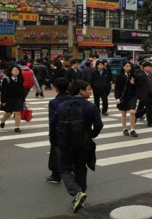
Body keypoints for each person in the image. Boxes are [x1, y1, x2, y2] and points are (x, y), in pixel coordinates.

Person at [50, 80, 103, 213]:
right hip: (84, 142)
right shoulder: (91, 107)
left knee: (65, 169)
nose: (91, 91)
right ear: (81, 91)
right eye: (89, 89)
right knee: (80, 167)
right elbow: (98, 125)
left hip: (65, 143)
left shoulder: (61, 106)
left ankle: (77, 194)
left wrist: (54, 141)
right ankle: (80, 194)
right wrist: (91, 135)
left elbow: (53, 124)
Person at [46, 77, 73, 183]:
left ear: (56, 88)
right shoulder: (74, 99)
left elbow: (52, 121)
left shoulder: (54, 102)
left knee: (56, 153)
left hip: (60, 132)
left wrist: (51, 135)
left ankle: (56, 174)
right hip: (74, 129)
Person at [115, 62, 138, 137]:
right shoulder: (119, 76)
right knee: (123, 113)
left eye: (129, 66)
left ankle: (132, 129)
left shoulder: (134, 75)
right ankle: (124, 128)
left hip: (132, 96)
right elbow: (117, 88)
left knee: (132, 112)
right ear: (123, 67)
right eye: (126, 66)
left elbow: (138, 85)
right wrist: (117, 97)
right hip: (123, 96)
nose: (128, 68)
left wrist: (133, 83)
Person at [0, 66, 25, 133]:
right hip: (9, 98)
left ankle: (17, 127)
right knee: (8, 113)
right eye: (14, 70)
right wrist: (3, 101)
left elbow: (22, 90)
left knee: (17, 112)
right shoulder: (6, 80)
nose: (16, 71)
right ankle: (3, 120)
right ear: (11, 71)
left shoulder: (20, 79)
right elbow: (3, 91)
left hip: (18, 98)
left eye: (17, 70)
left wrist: (23, 99)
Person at [135, 62, 152, 127]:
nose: (150, 68)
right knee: (149, 108)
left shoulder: (151, 75)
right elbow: (138, 86)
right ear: (144, 68)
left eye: (150, 67)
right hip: (144, 94)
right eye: (148, 67)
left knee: (150, 107)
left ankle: (136, 115)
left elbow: (150, 83)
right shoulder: (140, 75)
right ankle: (150, 121)